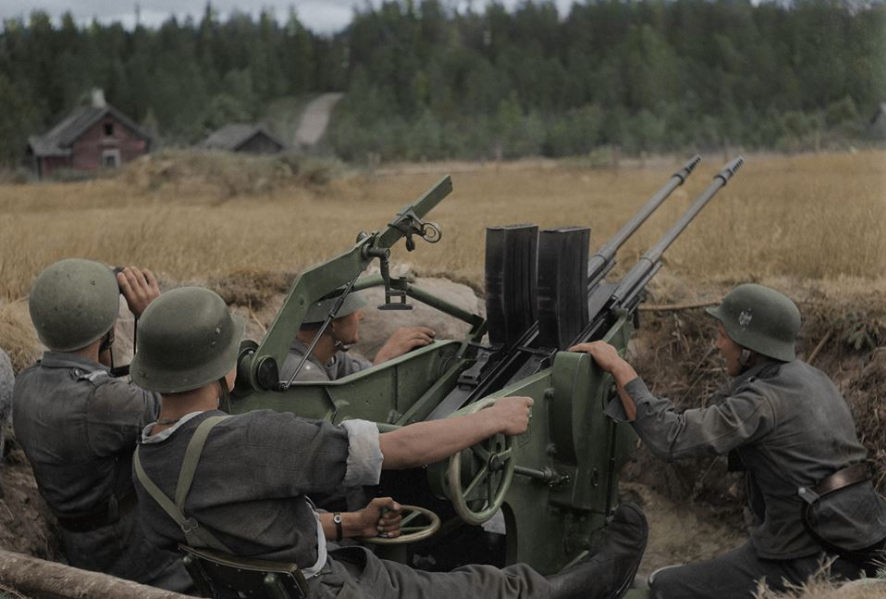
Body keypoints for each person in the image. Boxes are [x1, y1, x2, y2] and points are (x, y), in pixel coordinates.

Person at [131, 286, 648, 599]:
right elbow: (398, 449)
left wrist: (348, 524)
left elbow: (244, 527)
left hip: (288, 582)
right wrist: (492, 417)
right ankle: (594, 582)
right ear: (226, 368)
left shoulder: (148, 460)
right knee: (494, 585)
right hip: (331, 589)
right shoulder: (254, 438)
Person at [570, 283, 886, 599]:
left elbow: (672, 438)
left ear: (749, 348)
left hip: (805, 557)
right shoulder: (810, 377)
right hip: (854, 540)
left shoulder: (763, 401)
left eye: (722, 334)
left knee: (664, 587)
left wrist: (620, 368)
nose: (718, 345)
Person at [12, 258, 192, 592]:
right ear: (106, 331)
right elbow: (177, 398)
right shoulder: (102, 403)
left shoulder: (26, 383)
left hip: (82, 544)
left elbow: (100, 382)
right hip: (136, 556)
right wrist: (153, 316)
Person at [280, 291, 436, 382]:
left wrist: (386, 360)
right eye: (354, 312)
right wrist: (383, 359)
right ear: (333, 323)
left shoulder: (331, 358)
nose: (360, 316)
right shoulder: (302, 373)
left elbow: (359, 377)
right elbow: (338, 428)